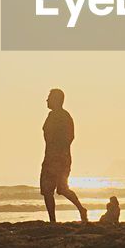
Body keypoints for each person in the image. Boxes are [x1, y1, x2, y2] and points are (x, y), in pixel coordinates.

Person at [40, 88, 88, 223]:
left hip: (59, 158)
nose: (47, 100)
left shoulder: (64, 117)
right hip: (51, 157)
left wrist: (59, 151)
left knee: (60, 189)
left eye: (49, 98)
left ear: (56, 100)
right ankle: (53, 220)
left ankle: (80, 209)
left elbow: (69, 137)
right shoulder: (52, 116)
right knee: (49, 190)